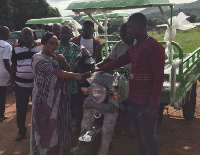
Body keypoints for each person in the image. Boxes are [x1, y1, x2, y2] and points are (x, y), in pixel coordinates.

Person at [96, 13, 165, 155]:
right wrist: (97, 70)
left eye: (130, 28)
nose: (127, 31)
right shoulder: (134, 48)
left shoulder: (154, 47)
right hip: (134, 101)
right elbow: (117, 62)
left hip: (146, 104)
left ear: (139, 27)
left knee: (149, 140)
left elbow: (158, 78)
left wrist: (152, 106)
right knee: (140, 139)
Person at [30, 31, 89, 154]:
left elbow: (63, 71)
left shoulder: (54, 56)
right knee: (45, 129)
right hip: (45, 101)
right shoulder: (38, 59)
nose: (55, 46)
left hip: (59, 99)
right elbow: (57, 73)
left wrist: (64, 62)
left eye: (56, 44)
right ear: (44, 43)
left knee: (58, 127)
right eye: (52, 43)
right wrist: (79, 75)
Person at [11, 27, 43, 141]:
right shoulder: (15, 49)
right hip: (20, 84)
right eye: (25, 35)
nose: (27, 36)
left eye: (29, 34)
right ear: (22, 37)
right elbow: (13, 65)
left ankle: (38, 130)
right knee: (21, 108)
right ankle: (21, 130)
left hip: (37, 84)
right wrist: (12, 81)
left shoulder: (41, 48)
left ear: (33, 36)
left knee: (38, 108)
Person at [70, 20, 102, 134]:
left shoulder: (97, 42)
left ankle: (92, 126)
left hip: (92, 78)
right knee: (78, 103)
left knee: (94, 102)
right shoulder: (75, 40)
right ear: (82, 28)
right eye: (85, 27)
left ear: (93, 29)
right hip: (78, 77)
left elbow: (99, 60)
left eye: (90, 28)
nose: (87, 30)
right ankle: (78, 126)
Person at [57, 25, 82, 129]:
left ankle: (77, 126)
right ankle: (61, 126)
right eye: (62, 32)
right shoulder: (55, 46)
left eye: (67, 32)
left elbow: (79, 64)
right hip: (58, 82)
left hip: (73, 82)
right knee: (60, 106)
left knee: (75, 105)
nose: (64, 35)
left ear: (71, 35)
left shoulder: (75, 48)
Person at [0, 26, 12, 122]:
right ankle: (1, 115)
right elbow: (6, 61)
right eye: (8, 33)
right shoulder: (7, 45)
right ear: (3, 34)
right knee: (2, 94)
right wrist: (12, 74)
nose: (9, 34)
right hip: (3, 73)